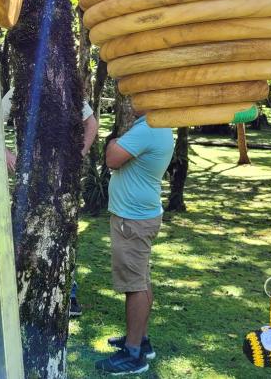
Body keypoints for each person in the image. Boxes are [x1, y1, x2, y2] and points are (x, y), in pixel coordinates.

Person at [1, 87, 98, 317]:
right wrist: (5, 152)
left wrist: (80, 153)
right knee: (27, 232)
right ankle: (25, 292)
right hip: (30, 177)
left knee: (63, 234)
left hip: (63, 178)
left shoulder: (68, 86)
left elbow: (91, 123)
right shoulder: (19, 88)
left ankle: (68, 294)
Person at [94, 111, 174, 375]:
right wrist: (118, 142)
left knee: (135, 285)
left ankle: (133, 354)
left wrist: (113, 143)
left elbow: (112, 159)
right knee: (141, 279)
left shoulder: (149, 127)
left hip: (133, 221)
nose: (133, 98)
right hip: (140, 217)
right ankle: (140, 339)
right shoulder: (155, 125)